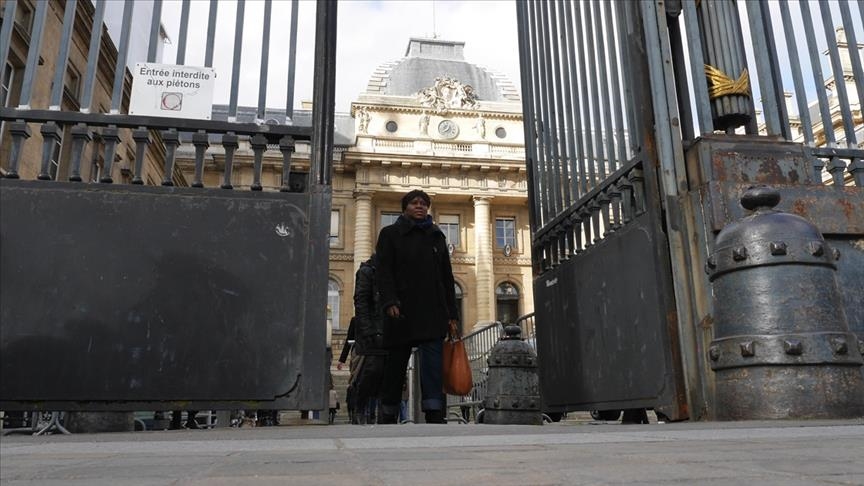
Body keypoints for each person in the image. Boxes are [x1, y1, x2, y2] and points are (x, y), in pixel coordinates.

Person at [375, 189, 459, 424]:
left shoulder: (436, 235)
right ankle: (389, 412)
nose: (420, 206)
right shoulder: (390, 234)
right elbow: (384, 272)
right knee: (396, 365)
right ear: (405, 207)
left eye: (424, 203)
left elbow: (447, 278)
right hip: (401, 309)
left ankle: (434, 412)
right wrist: (389, 301)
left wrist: (452, 315)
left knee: (433, 367)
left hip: (432, 311)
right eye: (414, 203)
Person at [350, 254, 388, 424]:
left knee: (387, 374)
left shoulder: (392, 270)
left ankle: (382, 414)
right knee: (372, 371)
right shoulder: (366, 271)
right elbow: (361, 302)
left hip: (389, 330)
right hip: (371, 332)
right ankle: (360, 407)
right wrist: (367, 331)